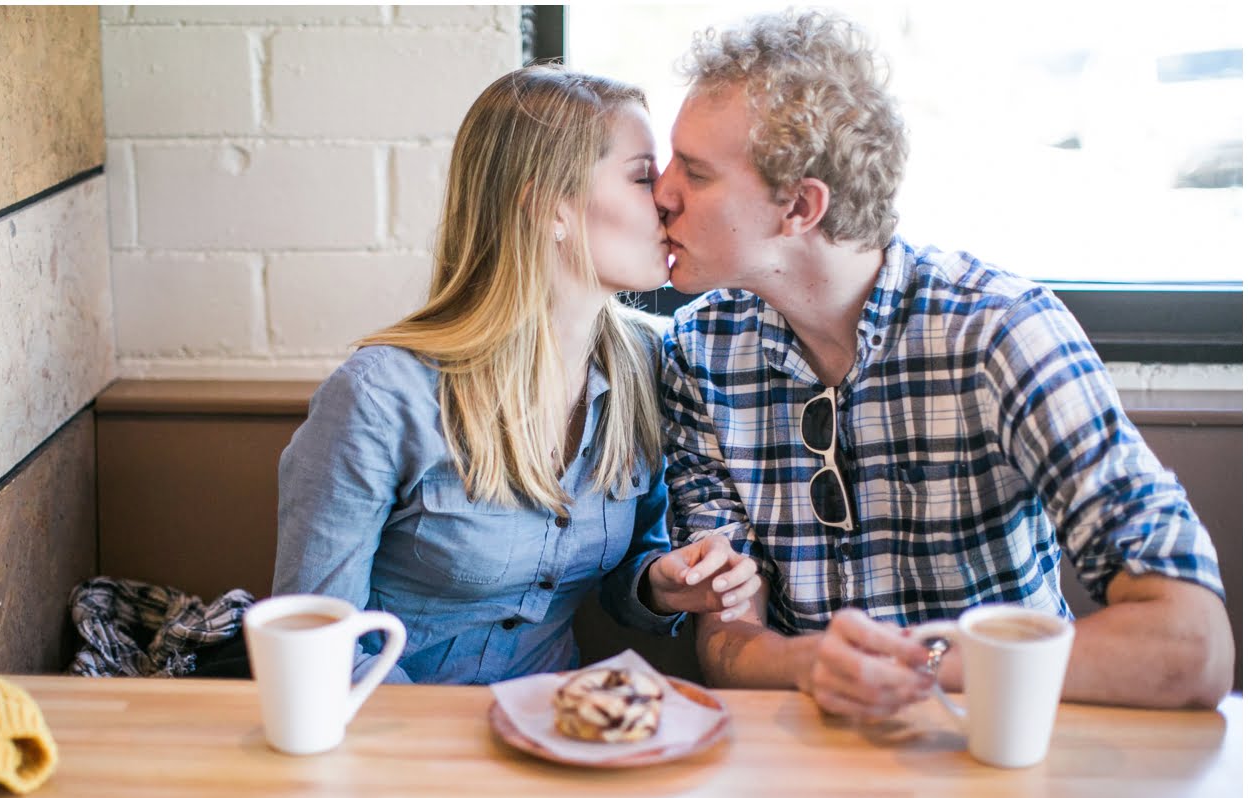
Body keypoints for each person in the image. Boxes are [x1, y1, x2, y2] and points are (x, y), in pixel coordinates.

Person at [653, 9, 1233, 716]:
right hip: (808, 756)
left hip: (994, 744)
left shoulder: (1002, 331)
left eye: (697, 172)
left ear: (801, 206)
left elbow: (1193, 647)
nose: (662, 191)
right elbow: (725, 641)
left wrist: (923, 668)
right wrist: (814, 663)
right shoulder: (698, 351)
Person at [273, 65, 759, 684]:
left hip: (556, 731)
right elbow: (315, 640)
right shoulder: (380, 398)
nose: (667, 198)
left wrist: (662, 582)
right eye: (643, 176)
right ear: (548, 208)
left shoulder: (649, 364)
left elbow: (626, 568)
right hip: (396, 746)